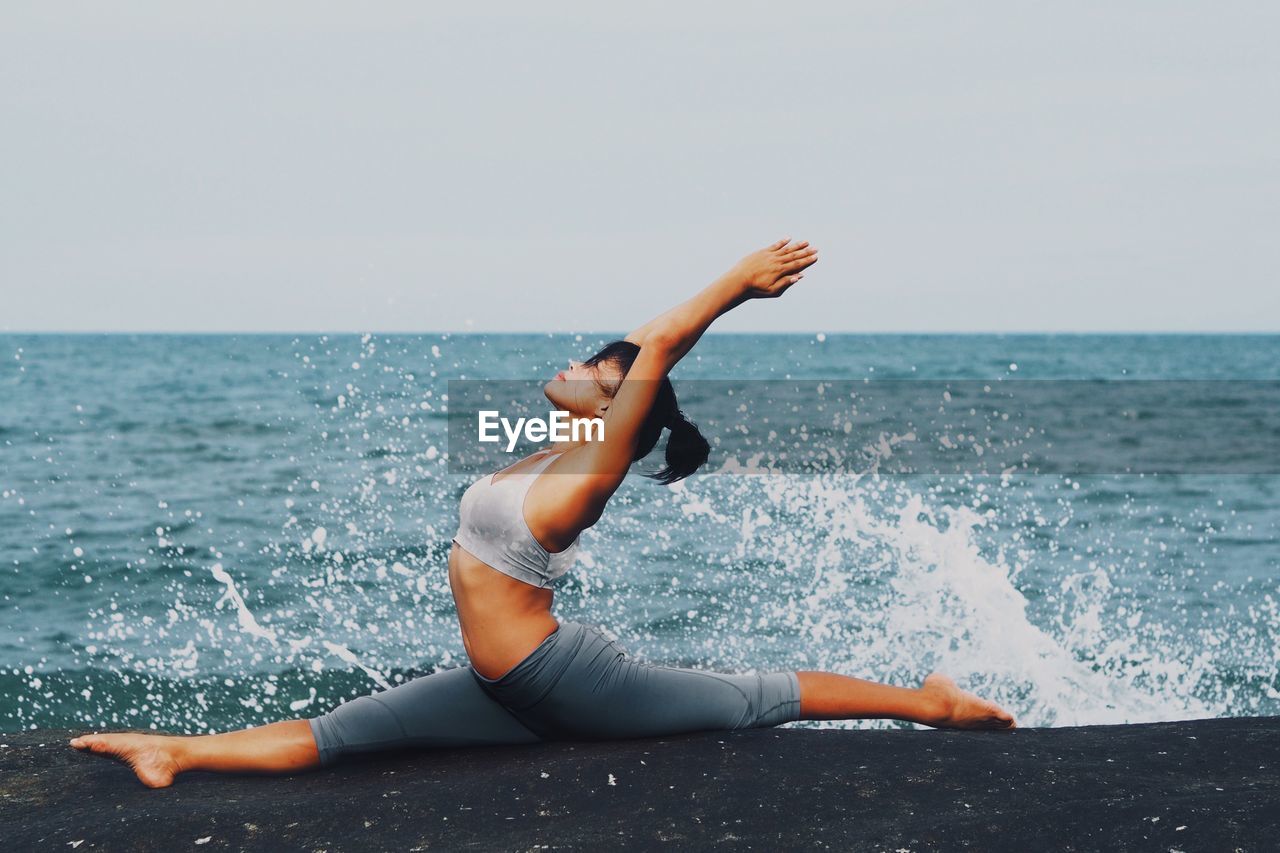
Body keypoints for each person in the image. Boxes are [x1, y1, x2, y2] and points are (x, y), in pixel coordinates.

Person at [71, 237, 1015, 788]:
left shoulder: (584, 481)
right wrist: (627, 361)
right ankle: (176, 753)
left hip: (558, 677)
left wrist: (735, 283)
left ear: (619, 405)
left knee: (751, 698)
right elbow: (632, 349)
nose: (575, 362)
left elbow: (655, 348)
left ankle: (931, 705)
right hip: (506, 684)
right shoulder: (553, 450)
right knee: (340, 734)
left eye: (595, 367)